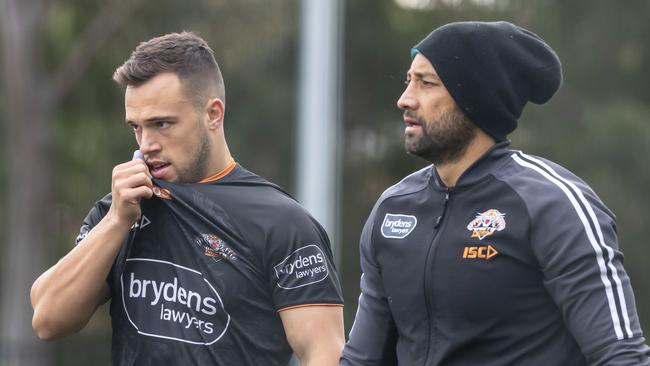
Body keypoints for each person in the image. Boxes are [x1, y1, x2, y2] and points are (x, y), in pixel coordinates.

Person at [340, 21, 650, 365]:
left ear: (475, 98)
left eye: (426, 83)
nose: (405, 99)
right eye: (408, 81)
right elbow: (361, 359)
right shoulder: (393, 208)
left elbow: (621, 356)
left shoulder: (554, 204)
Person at [30, 31, 344, 365]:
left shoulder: (282, 222)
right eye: (136, 127)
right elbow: (48, 319)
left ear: (213, 114)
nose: (146, 143)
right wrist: (116, 221)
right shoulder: (122, 209)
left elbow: (324, 351)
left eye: (161, 123)